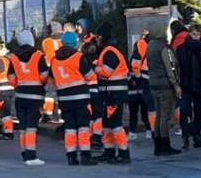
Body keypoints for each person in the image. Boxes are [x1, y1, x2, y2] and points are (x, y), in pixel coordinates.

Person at [50, 31, 97, 165]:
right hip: (80, 97)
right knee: (83, 127)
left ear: (62, 43)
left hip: (64, 99)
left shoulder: (54, 60)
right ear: (75, 43)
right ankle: (85, 155)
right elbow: (90, 76)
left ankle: (71, 155)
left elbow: (52, 79)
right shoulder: (78, 57)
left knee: (69, 127)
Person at [9, 30, 49, 166]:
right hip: (35, 95)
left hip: (20, 95)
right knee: (32, 126)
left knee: (23, 125)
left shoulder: (13, 57)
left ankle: (24, 152)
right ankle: (31, 155)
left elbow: (11, 77)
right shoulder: (38, 55)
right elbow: (44, 75)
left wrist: (18, 85)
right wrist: (39, 83)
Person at [93, 33, 131, 164]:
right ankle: (109, 152)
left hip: (114, 95)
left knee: (115, 124)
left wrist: (94, 68)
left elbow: (107, 71)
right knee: (107, 125)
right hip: (110, 95)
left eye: (98, 37)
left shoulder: (110, 52)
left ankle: (123, 153)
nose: (96, 40)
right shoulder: (107, 51)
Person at [145, 28, 182, 156]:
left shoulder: (149, 46)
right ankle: (165, 145)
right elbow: (170, 66)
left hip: (153, 84)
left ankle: (158, 145)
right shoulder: (164, 47)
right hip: (165, 85)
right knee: (165, 116)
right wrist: (176, 84)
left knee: (159, 115)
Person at [176, 23, 201, 148]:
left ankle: (196, 136)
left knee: (198, 111)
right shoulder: (182, 49)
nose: (196, 37)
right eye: (194, 34)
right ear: (189, 34)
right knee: (185, 111)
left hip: (198, 83)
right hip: (187, 83)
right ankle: (187, 135)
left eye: (198, 35)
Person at [126, 27, 156, 141]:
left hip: (135, 85)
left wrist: (135, 78)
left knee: (133, 112)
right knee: (146, 109)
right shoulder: (151, 47)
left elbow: (133, 66)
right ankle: (149, 130)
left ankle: (133, 132)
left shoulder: (138, 47)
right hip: (145, 83)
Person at [0, 37, 16, 139]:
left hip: (2, 89)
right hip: (10, 88)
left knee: (4, 112)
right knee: (7, 111)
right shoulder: (8, 59)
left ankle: (8, 132)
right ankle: (6, 131)